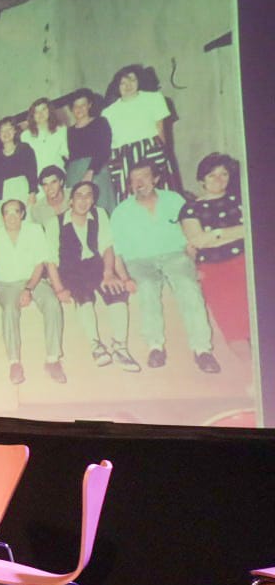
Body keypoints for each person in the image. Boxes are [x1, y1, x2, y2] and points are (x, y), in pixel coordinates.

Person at [110, 160, 218, 373]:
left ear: (156, 179)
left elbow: (190, 232)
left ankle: (202, 350)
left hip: (174, 255)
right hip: (140, 261)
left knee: (188, 286)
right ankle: (155, 347)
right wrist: (125, 278)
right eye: (134, 180)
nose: (139, 183)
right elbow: (117, 251)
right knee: (148, 288)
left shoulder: (174, 199)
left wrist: (195, 261)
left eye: (144, 177)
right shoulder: (121, 211)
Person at [56, 180, 138, 372]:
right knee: (82, 296)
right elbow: (52, 260)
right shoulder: (57, 222)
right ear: (70, 201)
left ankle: (120, 347)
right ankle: (96, 346)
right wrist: (59, 287)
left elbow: (107, 247)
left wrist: (110, 274)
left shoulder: (100, 214)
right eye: (79, 196)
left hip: (96, 264)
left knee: (116, 291)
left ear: (93, 200)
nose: (83, 201)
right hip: (71, 268)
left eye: (88, 196)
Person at [0, 199, 66, 385]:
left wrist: (29, 288)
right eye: (7, 212)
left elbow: (40, 263)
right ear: (2, 216)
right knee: (9, 310)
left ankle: (53, 360)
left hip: (34, 279)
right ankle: (14, 363)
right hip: (5, 284)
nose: (12, 216)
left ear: (22, 214)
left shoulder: (35, 230)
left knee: (53, 303)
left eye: (16, 212)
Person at [180, 151, 250, 354]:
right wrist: (241, 231)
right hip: (213, 270)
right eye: (212, 175)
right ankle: (251, 377)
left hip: (246, 262)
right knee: (233, 327)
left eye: (224, 174)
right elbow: (198, 241)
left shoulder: (241, 199)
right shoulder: (191, 208)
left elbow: (259, 229)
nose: (219, 180)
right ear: (201, 180)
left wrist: (215, 235)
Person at [103, 64, 176, 199]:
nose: (128, 85)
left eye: (132, 80)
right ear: (117, 87)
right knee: (128, 196)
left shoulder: (154, 98)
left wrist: (163, 152)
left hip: (151, 150)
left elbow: (161, 130)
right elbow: (109, 141)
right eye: (123, 82)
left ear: (139, 81)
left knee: (159, 192)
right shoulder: (108, 112)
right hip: (122, 156)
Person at [0, 114, 38, 228]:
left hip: (22, 190)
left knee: (26, 224)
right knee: (2, 226)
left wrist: (32, 194)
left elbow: (32, 172)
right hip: (3, 194)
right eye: (2, 130)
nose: (6, 133)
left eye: (9, 129)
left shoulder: (24, 148)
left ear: (15, 131)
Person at [63, 89, 113, 204]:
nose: (79, 109)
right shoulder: (69, 131)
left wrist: (91, 171)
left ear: (89, 105)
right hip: (74, 173)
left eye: (83, 105)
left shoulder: (100, 122)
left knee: (100, 204)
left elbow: (104, 149)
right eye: (76, 106)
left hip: (96, 170)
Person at [25, 97, 70, 182]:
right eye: (36, 112)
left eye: (43, 109)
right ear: (32, 116)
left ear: (49, 110)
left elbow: (66, 153)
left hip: (58, 177)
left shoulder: (61, 129)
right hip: (38, 180)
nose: (40, 114)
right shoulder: (25, 136)